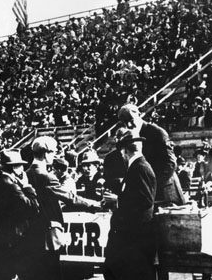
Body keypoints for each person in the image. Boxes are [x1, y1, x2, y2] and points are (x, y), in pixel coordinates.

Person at [25, 136, 101, 280]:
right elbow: (70, 198)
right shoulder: (47, 177)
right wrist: (94, 204)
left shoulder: (25, 174)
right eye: (53, 152)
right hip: (47, 237)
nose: (54, 156)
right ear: (46, 153)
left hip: (30, 235)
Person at [103, 129, 157, 280]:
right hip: (132, 235)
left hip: (135, 236)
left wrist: (117, 200)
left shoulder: (140, 168)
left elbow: (145, 200)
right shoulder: (137, 167)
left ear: (124, 151)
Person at [0, 149, 39, 280]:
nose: (22, 168)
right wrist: (27, 186)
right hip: (13, 240)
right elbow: (33, 207)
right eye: (20, 165)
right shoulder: (12, 186)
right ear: (14, 167)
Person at [118, 104, 185, 205]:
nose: (129, 125)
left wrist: (152, 185)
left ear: (139, 115)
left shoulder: (157, 132)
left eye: (131, 120)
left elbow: (170, 164)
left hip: (166, 191)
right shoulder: (131, 136)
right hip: (148, 191)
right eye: (125, 122)